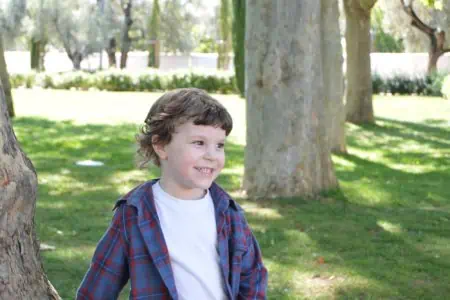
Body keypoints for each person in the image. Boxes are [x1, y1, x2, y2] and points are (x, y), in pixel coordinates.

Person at [77, 88, 268, 299]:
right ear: (161, 146)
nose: (212, 155)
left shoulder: (229, 212)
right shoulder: (134, 212)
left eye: (219, 145)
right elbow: (99, 285)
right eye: (199, 143)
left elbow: (253, 277)